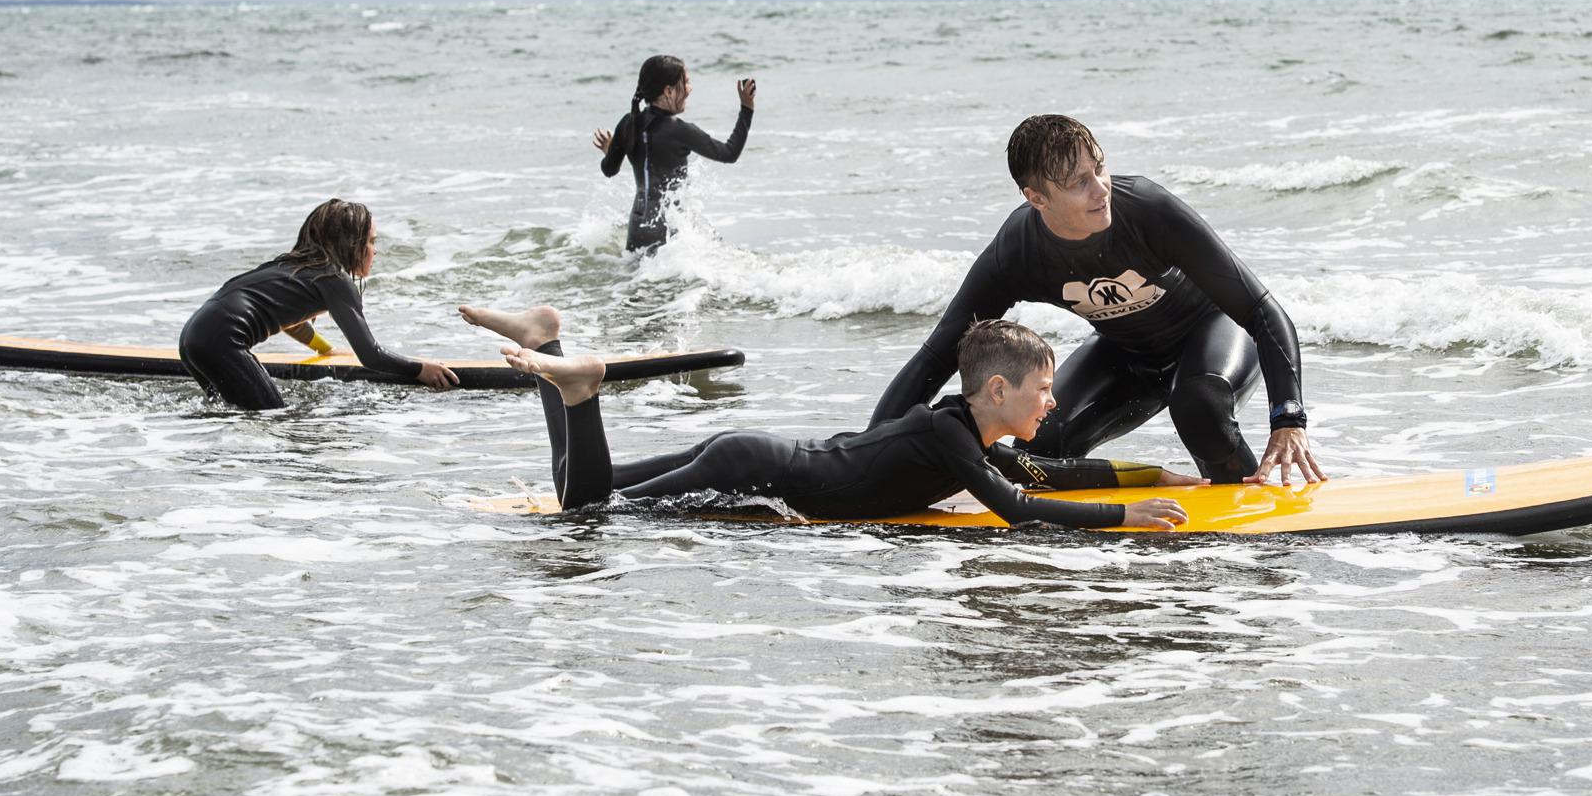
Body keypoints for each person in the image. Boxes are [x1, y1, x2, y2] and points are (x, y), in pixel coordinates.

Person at [870, 115, 1322, 487]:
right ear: (1037, 198)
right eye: (1078, 183)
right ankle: (1084, 547)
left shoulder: (1148, 211)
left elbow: (1263, 310)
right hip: (1128, 355)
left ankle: (1256, 512)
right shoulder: (1019, 253)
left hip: (1212, 333)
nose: (1100, 188)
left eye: (1100, 169)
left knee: (1198, 405)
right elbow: (940, 351)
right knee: (1040, 444)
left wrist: (1289, 418)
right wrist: (867, 454)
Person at [460, 302, 1194, 528]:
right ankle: (580, 388)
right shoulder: (951, 437)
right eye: (1043, 388)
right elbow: (1018, 507)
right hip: (753, 468)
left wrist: (1153, 472)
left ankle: (547, 347)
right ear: (996, 392)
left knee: (584, 492)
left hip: (750, 454)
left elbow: (1050, 472)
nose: (1053, 402)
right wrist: (1124, 519)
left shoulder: (960, 432)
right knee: (589, 511)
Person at [177, 199, 459, 410]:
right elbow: (371, 356)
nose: (376, 250)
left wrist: (324, 349)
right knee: (273, 415)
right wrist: (421, 369)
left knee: (227, 414)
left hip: (194, 335)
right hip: (222, 340)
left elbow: (290, 321)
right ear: (352, 244)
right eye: (371, 242)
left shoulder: (293, 266)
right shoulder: (332, 279)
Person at [594, 55, 756, 251]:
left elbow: (609, 169)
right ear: (668, 91)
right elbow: (729, 153)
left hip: (637, 229)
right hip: (666, 230)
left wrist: (609, 150)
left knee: (635, 280)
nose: (690, 88)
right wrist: (747, 109)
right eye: (685, 82)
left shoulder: (628, 123)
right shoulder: (680, 130)